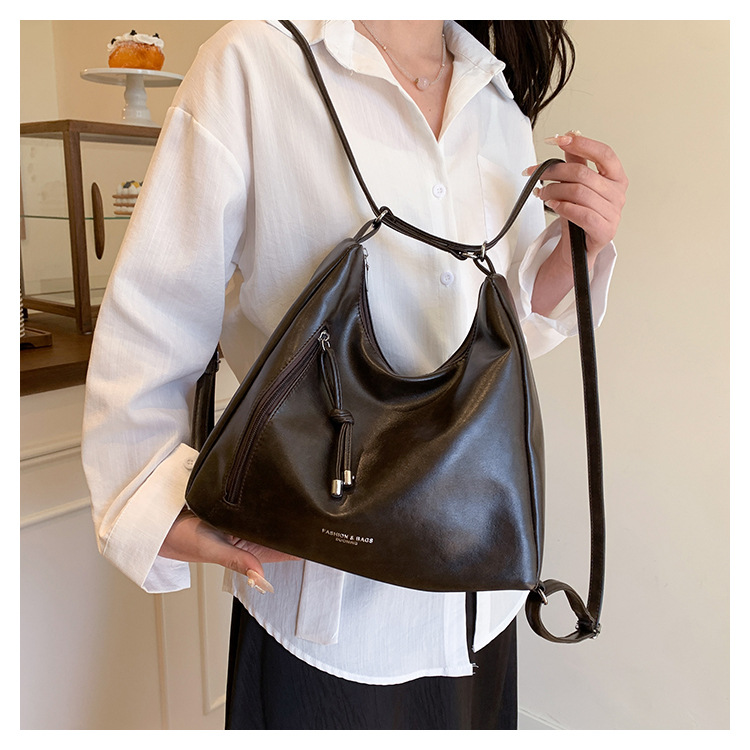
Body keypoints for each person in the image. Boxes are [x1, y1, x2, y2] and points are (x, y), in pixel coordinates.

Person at [82, 20, 627, 730]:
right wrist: (154, 503)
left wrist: (579, 250)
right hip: (324, 607)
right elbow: (155, 309)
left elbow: (506, 332)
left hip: (477, 598)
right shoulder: (255, 62)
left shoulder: (496, 100)